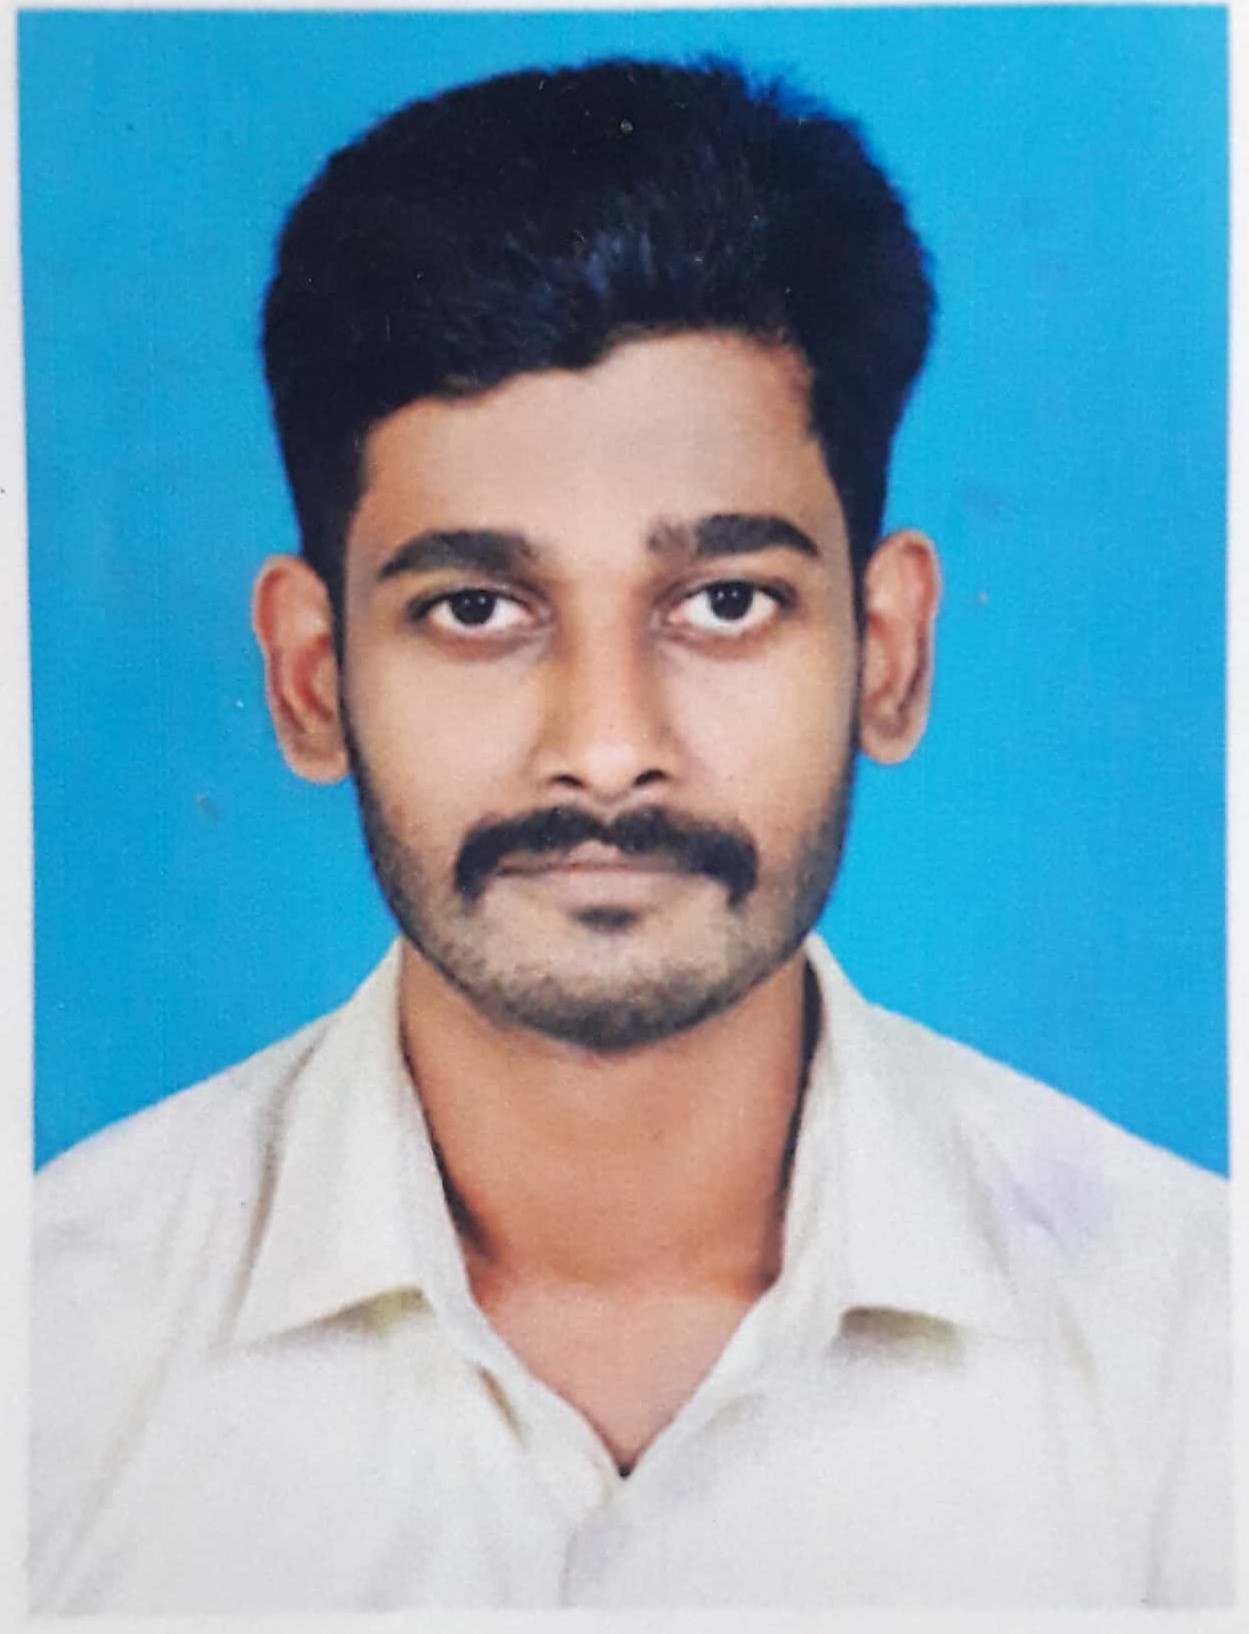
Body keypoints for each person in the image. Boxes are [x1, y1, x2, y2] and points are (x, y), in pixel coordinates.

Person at [32, 57, 1230, 1612]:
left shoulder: (1191, 1355)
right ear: (310, 679)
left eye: (723, 601)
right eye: (476, 608)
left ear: (886, 654)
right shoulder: (52, 1362)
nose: (606, 747)